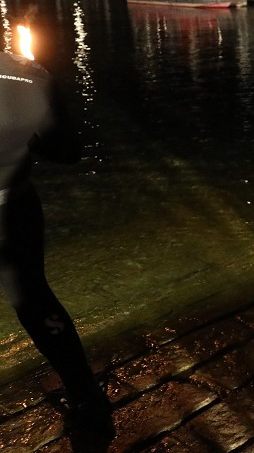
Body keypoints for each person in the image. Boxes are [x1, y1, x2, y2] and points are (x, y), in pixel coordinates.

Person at [0, 49, 113, 438]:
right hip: (14, 208)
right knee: (35, 301)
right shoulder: (33, 75)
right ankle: (87, 397)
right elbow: (67, 152)